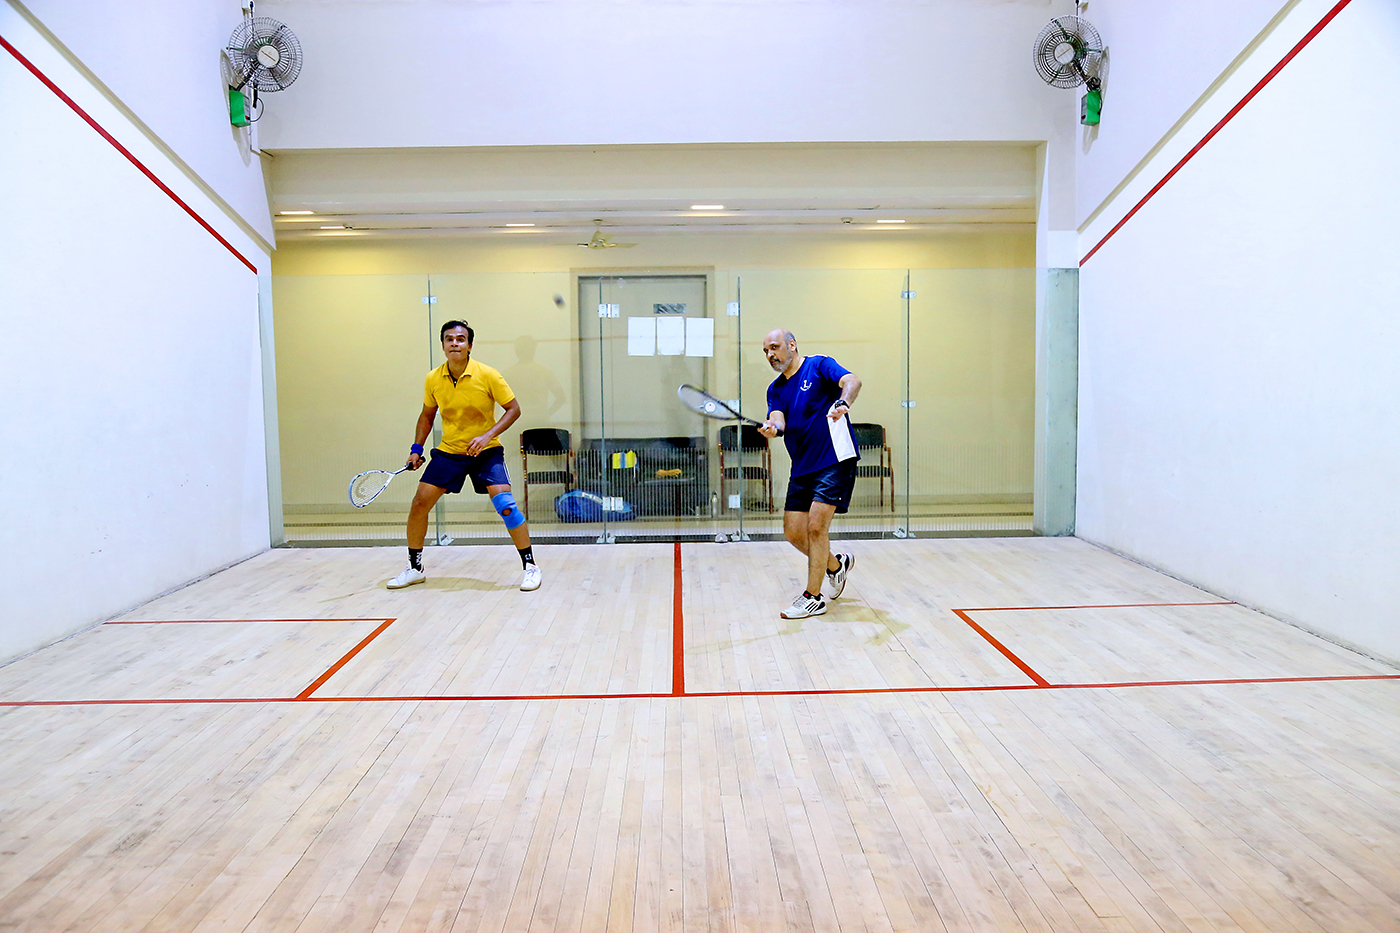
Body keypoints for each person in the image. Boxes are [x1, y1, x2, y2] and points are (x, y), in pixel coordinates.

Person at [388, 320, 542, 592]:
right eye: (449, 339)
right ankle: (415, 568)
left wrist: (486, 436)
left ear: (469, 345)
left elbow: (514, 409)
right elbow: (427, 415)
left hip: (486, 451)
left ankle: (530, 566)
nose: (455, 343)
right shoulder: (433, 378)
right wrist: (416, 449)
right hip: (450, 452)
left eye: (460, 339)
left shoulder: (488, 374)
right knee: (420, 503)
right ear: (443, 345)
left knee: (506, 504)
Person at [757, 329, 861, 619]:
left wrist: (844, 402)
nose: (770, 355)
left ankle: (813, 597)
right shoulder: (775, 389)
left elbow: (852, 380)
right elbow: (778, 418)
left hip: (834, 459)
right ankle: (835, 566)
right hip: (802, 465)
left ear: (792, 345)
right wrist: (773, 428)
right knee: (793, 532)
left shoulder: (818, 365)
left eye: (774, 347)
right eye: (766, 351)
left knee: (816, 527)